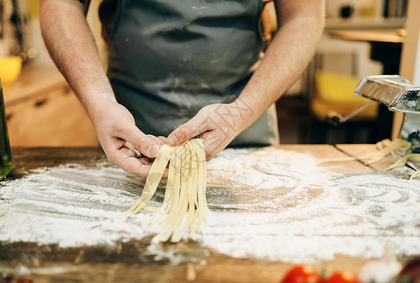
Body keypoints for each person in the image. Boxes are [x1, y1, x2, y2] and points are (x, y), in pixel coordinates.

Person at [40, 0, 325, 177]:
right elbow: (62, 4)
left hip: (245, 127)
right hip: (131, 138)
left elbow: (303, 16)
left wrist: (240, 111)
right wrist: (99, 102)